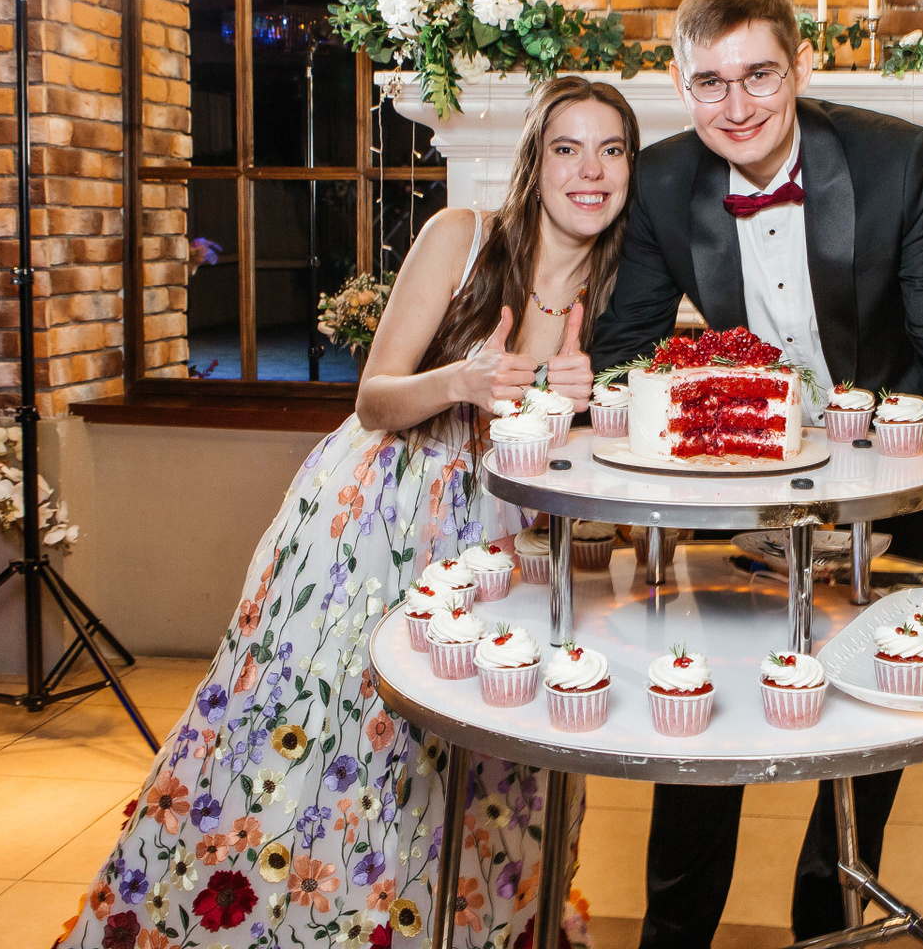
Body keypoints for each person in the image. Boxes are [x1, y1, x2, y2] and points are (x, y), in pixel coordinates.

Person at [55, 76, 640, 949]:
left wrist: (586, 408)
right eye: (568, 148)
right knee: (336, 738)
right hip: (378, 523)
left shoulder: (624, 285)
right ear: (534, 162)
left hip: (502, 542)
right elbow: (373, 399)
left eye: (611, 150)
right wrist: (462, 379)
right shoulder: (463, 238)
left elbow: (585, 455)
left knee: (491, 756)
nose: (590, 171)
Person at [588, 0, 923, 949]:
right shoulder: (661, 181)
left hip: (890, 482)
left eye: (759, 75)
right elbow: (625, 350)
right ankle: (674, 934)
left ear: (803, 66)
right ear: (679, 82)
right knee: (701, 716)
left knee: (867, 726)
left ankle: (828, 923)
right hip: (741, 488)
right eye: (710, 82)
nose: (736, 106)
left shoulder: (897, 161)